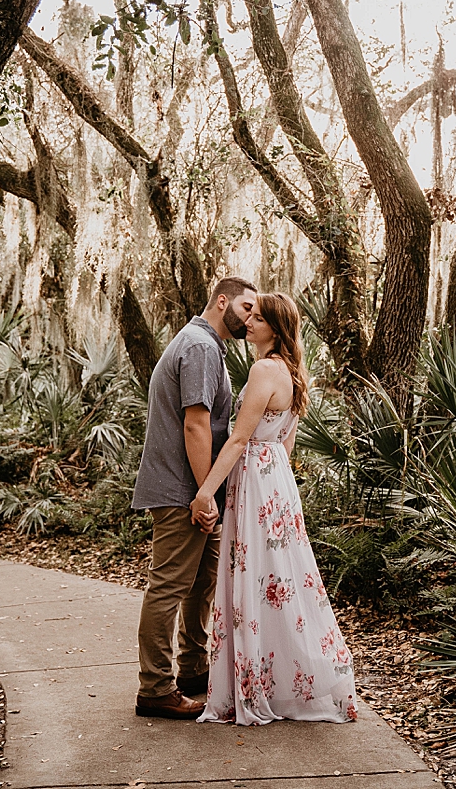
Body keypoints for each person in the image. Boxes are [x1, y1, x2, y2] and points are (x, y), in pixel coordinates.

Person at [191, 293, 358, 725]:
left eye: (259, 318)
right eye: (251, 315)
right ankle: (282, 680)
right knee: (278, 576)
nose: (250, 322)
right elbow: (285, 443)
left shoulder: (265, 368)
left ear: (277, 329)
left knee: (259, 576)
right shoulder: (293, 371)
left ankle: (259, 683)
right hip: (276, 480)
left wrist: (206, 492)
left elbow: (240, 439)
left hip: (256, 481)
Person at [132, 276, 258, 719]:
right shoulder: (201, 347)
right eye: (245, 307)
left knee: (201, 586)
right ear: (221, 301)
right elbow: (195, 424)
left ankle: (190, 669)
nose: (250, 317)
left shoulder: (205, 345)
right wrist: (205, 494)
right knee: (169, 587)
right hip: (183, 489)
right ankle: (154, 689)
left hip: (197, 489)